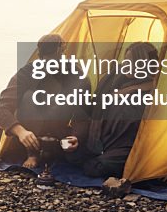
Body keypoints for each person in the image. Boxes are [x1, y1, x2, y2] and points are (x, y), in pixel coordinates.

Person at [62, 41, 159, 178]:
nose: (126, 65)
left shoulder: (153, 92)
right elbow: (90, 109)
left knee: (97, 167)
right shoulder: (112, 79)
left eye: (131, 61)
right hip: (97, 141)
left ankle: (99, 159)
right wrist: (79, 136)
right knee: (67, 149)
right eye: (126, 60)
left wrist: (133, 92)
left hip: (123, 146)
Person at [0, 34, 79, 169]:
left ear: (62, 53)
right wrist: (20, 131)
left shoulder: (74, 72)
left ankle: (59, 150)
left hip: (60, 133)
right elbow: (0, 109)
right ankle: (33, 154)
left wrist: (77, 136)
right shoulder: (26, 74)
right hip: (32, 136)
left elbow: (84, 109)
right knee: (29, 97)